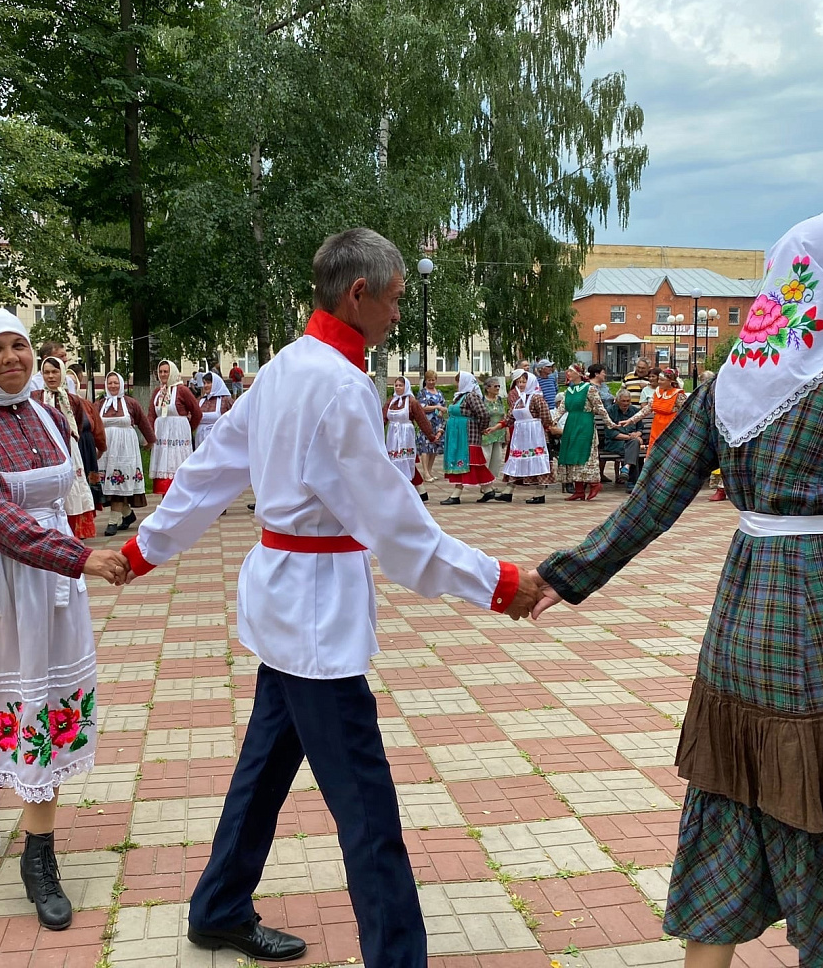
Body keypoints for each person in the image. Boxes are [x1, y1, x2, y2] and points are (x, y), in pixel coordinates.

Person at [531, 210, 823, 968]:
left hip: (744, 624)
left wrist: (564, 574)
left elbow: (654, 497)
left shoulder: (735, 381)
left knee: (733, 796)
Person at [116, 228, 538, 966]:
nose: (400, 315)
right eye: (397, 300)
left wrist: (144, 548)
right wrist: (500, 582)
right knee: (367, 809)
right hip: (314, 616)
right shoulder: (339, 384)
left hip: (289, 601)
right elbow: (399, 530)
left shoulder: (285, 367)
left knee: (266, 765)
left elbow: (213, 468)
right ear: (359, 294)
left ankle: (219, 905)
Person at [0, 309, 129, 930]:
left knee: (46, 699)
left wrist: (78, 549)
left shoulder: (45, 411)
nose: (13, 358)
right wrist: (80, 557)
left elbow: (67, 491)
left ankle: (38, 857)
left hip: (50, 579)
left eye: (20, 345)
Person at [32, 356, 104, 540]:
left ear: (62, 373)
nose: (50, 376)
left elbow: (78, 424)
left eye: (55, 372)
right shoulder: (36, 398)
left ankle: (73, 530)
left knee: (73, 487)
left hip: (69, 447)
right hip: (44, 447)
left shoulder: (72, 400)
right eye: (46, 372)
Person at [95, 371, 154, 536]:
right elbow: (91, 423)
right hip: (106, 449)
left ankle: (112, 522)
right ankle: (128, 515)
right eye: (110, 383)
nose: (113, 386)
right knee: (108, 484)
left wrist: (150, 440)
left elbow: (143, 422)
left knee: (119, 482)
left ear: (121, 384)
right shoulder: (99, 405)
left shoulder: (130, 403)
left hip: (125, 449)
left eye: (116, 383)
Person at [495, 369, 555, 503]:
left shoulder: (537, 398)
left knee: (539, 462)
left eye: (524, 381)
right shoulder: (519, 400)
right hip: (521, 437)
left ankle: (540, 493)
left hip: (536, 436)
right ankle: (508, 491)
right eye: (519, 382)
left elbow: (546, 417)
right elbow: (510, 417)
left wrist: (543, 428)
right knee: (516, 461)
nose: (521, 384)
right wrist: (496, 427)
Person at [554, 364, 610, 500]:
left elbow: (600, 407)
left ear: (579, 374)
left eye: (571, 371)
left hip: (585, 425)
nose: (568, 373)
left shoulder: (589, 389)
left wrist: (610, 423)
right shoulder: (569, 391)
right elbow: (562, 408)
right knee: (572, 455)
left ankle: (594, 483)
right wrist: (552, 420)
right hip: (571, 424)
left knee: (586, 456)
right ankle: (579, 490)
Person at [441, 371, 498, 504]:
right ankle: (488, 490)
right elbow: (451, 416)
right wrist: (441, 430)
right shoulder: (458, 397)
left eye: (458, 381)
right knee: (474, 465)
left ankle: (456, 493)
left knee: (469, 462)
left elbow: (483, 413)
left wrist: (481, 428)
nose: (456, 384)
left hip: (468, 435)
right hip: (457, 436)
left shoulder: (471, 396)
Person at [148, 358, 202, 496]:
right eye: (160, 372)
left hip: (178, 435)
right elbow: (151, 415)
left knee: (177, 464)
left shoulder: (182, 390)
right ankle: (165, 501)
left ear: (172, 372)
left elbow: (197, 412)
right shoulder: (157, 392)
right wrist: (150, 435)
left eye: (166, 371)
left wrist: (188, 428)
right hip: (162, 436)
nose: (163, 374)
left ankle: (182, 500)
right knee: (164, 464)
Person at [384, 375, 438, 501]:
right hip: (393, 434)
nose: (398, 388)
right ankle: (414, 491)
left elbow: (422, 419)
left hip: (406, 434)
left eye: (400, 385)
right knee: (393, 462)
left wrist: (430, 435)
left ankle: (416, 490)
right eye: (396, 385)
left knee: (406, 462)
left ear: (406, 386)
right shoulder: (391, 401)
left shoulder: (412, 402)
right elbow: (383, 416)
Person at [600, 389, 647, 489]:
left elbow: (640, 428)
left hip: (631, 442)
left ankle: (626, 469)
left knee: (633, 446)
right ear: (617, 400)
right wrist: (632, 437)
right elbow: (611, 433)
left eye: (628, 401)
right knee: (634, 447)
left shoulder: (634, 410)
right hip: (615, 442)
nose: (626, 403)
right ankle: (632, 483)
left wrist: (637, 435)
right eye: (623, 401)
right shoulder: (610, 411)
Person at [415, 369, 447, 481]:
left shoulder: (439, 392)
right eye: (429, 380)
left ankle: (429, 471)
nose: (431, 382)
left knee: (434, 447)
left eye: (433, 380)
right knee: (425, 447)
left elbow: (444, 405)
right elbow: (422, 407)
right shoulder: (422, 393)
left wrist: (442, 411)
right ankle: (425, 472)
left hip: (437, 423)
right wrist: (436, 407)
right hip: (426, 423)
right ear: (425, 380)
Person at [480, 375, 510, 482]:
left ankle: (491, 481)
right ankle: (484, 482)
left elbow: (504, 416)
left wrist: (507, 432)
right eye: (495, 386)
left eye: (499, 386)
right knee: (486, 458)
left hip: (499, 434)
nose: (497, 388)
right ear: (487, 388)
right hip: (486, 434)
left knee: (496, 460)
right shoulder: (482, 400)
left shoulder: (500, 400)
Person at [646, 368, 686, 448]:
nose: (659, 382)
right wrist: (631, 420)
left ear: (670, 381)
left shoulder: (678, 395)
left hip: (671, 429)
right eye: (659, 379)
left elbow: (687, 412)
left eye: (662, 380)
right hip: (656, 428)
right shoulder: (658, 392)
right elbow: (647, 409)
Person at [196, 372, 233, 448]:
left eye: (208, 383)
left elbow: (235, 418)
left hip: (218, 440)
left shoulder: (225, 400)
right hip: (200, 440)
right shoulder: (201, 401)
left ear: (216, 383)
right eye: (204, 383)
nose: (205, 386)